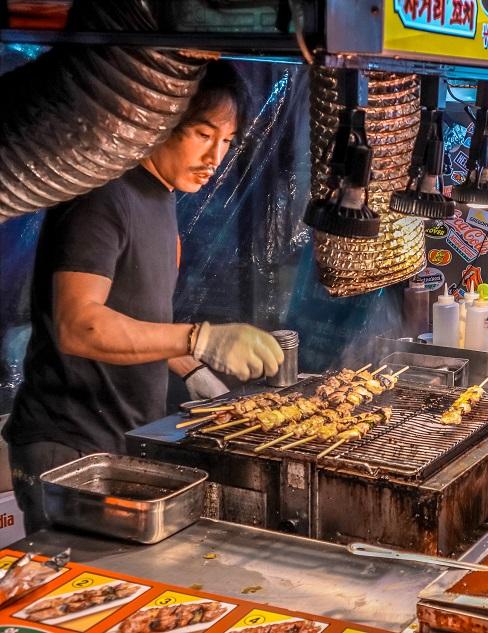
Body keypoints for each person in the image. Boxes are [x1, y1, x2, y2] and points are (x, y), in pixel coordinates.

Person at [4, 61, 284, 532]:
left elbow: (133, 314)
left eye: (227, 141)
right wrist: (200, 339)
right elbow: (81, 325)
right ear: (160, 120)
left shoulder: (160, 196)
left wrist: (193, 370)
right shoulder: (103, 196)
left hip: (119, 436)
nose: (215, 156)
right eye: (201, 133)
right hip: (69, 446)